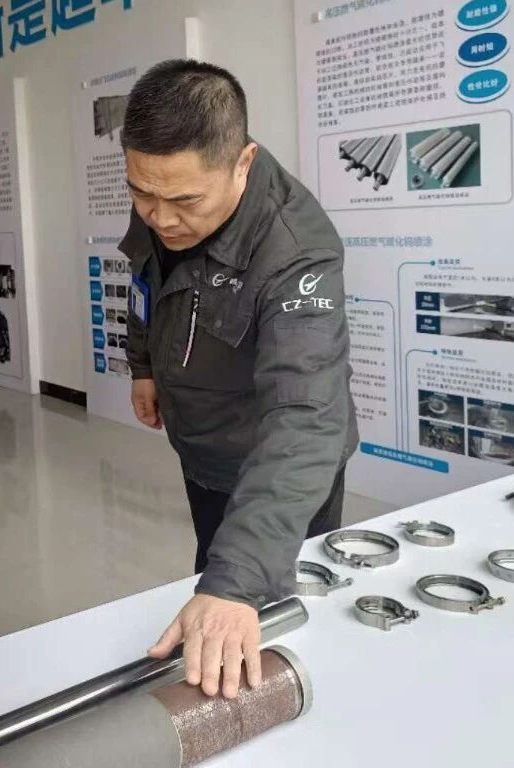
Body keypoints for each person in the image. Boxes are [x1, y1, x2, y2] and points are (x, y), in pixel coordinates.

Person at [119, 60, 358, 700]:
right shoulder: (165, 187)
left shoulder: (296, 250)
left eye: (184, 202)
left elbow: (305, 417)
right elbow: (145, 280)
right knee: (215, 562)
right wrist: (144, 365)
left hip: (276, 465)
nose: (160, 217)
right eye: (141, 194)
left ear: (242, 162)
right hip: (201, 443)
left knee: (279, 613)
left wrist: (236, 581)